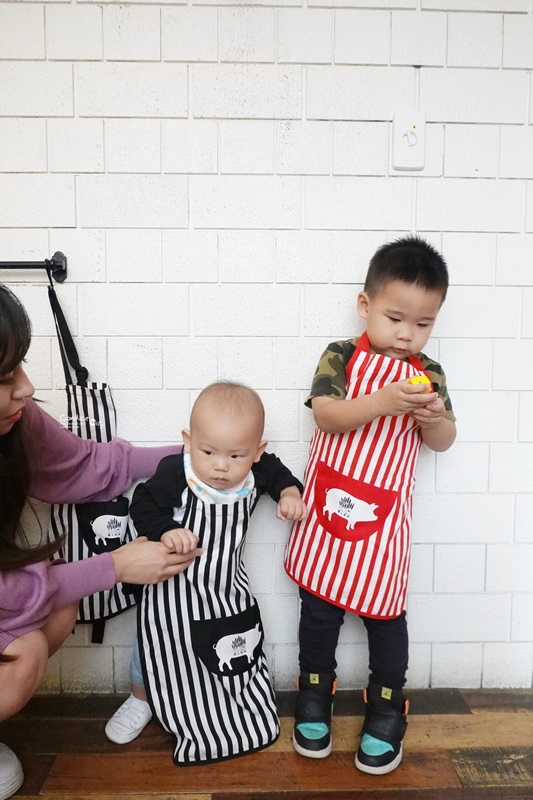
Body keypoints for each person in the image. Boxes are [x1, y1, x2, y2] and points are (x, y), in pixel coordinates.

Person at [0, 284, 203, 800]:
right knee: (23, 655)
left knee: (57, 611)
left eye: (20, 367)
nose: (26, 388)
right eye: (5, 378)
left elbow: (91, 464)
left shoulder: (17, 425)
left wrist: (199, 458)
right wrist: (113, 566)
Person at [284, 235, 456, 775]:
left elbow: (444, 440)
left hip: (383, 529)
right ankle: (314, 693)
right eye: (395, 317)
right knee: (319, 610)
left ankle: (386, 706)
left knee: (387, 620)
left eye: (423, 323)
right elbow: (328, 416)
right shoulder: (340, 355)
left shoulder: (429, 374)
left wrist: (430, 418)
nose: (408, 334)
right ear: (365, 305)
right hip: (328, 519)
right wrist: (383, 402)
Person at [106, 381, 307, 765]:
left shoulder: (257, 470)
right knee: (153, 645)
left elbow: (279, 474)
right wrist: (165, 529)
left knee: (226, 650)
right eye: (208, 451)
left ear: (257, 451)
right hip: (170, 589)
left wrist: (289, 493)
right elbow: (142, 505)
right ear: (188, 440)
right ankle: (140, 698)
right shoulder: (176, 472)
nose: (220, 465)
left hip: (222, 588)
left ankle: (220, 707)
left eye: (236, 455)